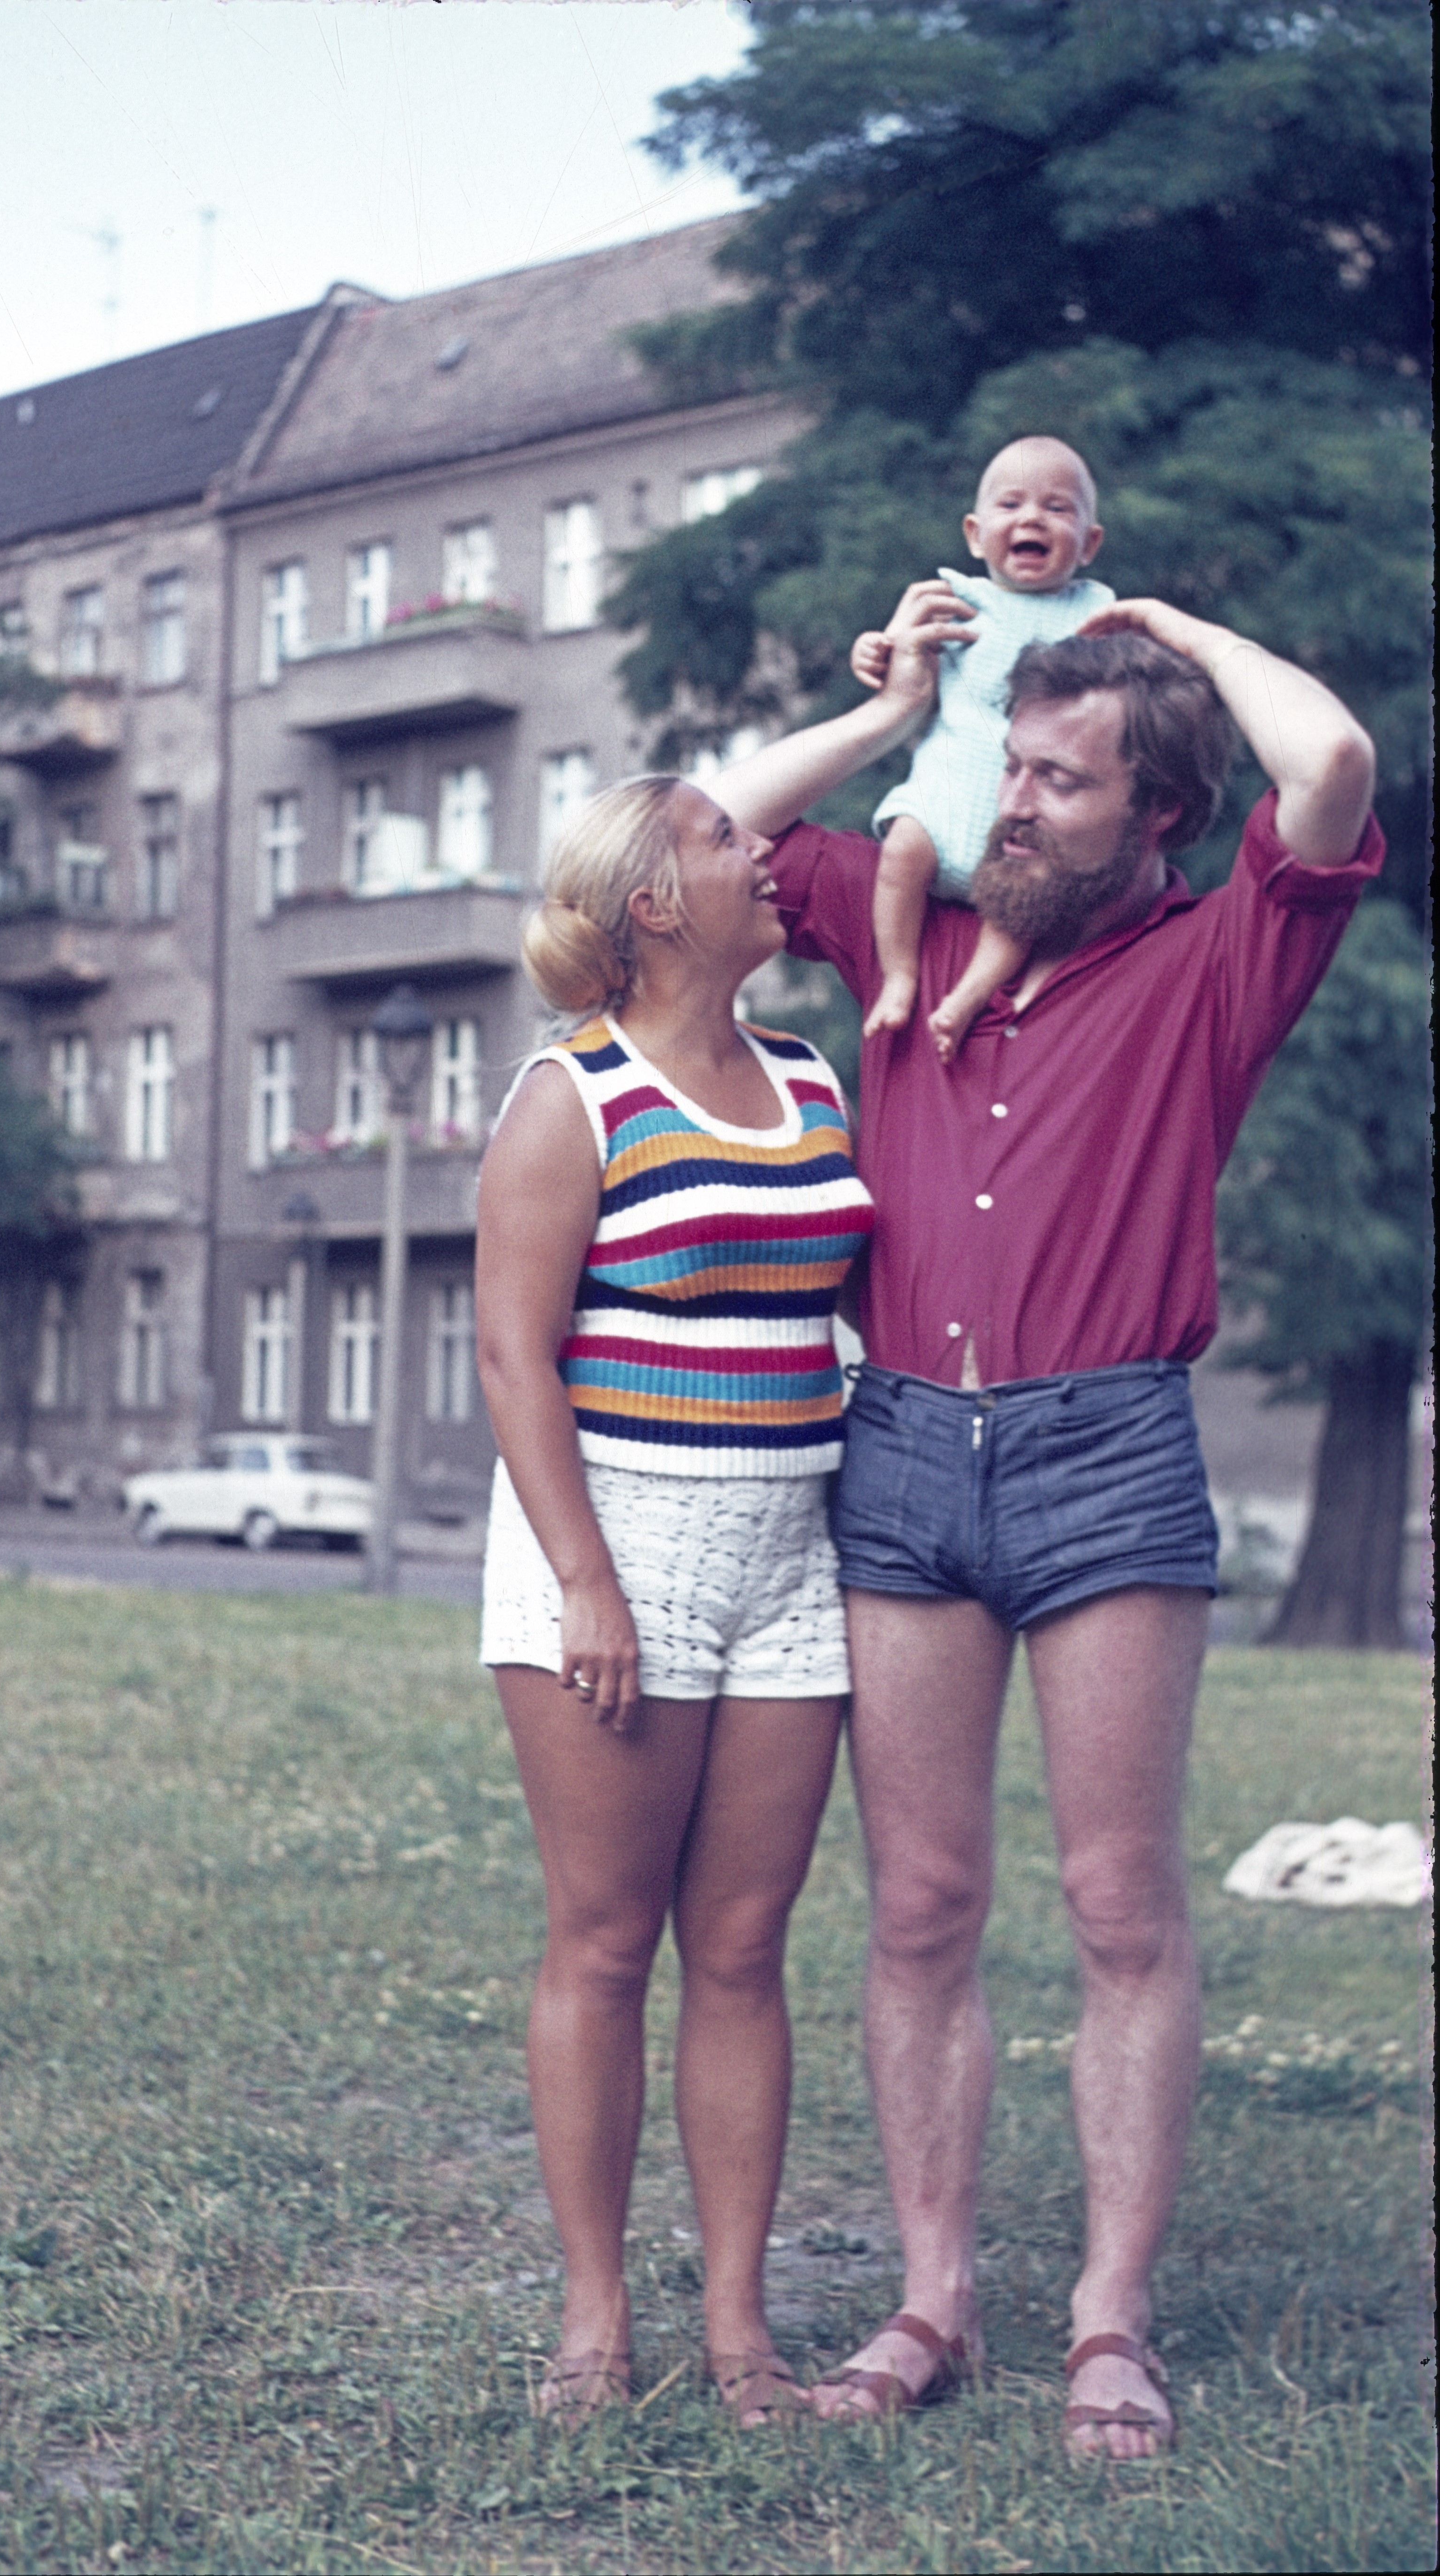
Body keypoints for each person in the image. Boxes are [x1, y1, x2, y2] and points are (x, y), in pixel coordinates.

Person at [711, 592, 1381, 2456]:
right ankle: (929, 2298)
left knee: (1115, 1905)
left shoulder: (1218, 956)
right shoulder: (910, 919)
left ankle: (1106, 2317)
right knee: (918, 1905)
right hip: (903, 1449)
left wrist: (1158, 618)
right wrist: (894, 712)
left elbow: (1322, 763)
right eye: (1009, 764)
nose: (1014, 803)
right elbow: (711, 832)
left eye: (1061, 780)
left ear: (1150, 815)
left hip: (1106, 1453)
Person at [473, 754, 907, 2424]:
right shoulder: (567, 1095)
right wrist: (586, 1579)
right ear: (655, 902)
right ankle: (594, 2319)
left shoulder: (808, 1075)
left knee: (741, 1946)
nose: (769, 858)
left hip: (791, 1548)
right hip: (613, 1552)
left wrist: (898, 710)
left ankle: (740, 2329)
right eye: (730, 842)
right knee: (601, 1941)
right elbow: (514, 1355)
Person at [860, 435, 1112, 1058]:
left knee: (1020, 910)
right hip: (943, 795)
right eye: (1011, 505)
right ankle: (899, 977)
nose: (1031, 518)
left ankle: (968, 996)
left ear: (1088, 543)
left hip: (1024, 819)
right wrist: (873, 649)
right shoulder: (956, 600)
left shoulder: (1096, 614)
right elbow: (898, 653)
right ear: (975, 534)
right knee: (898, 859)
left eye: (1057, 508)